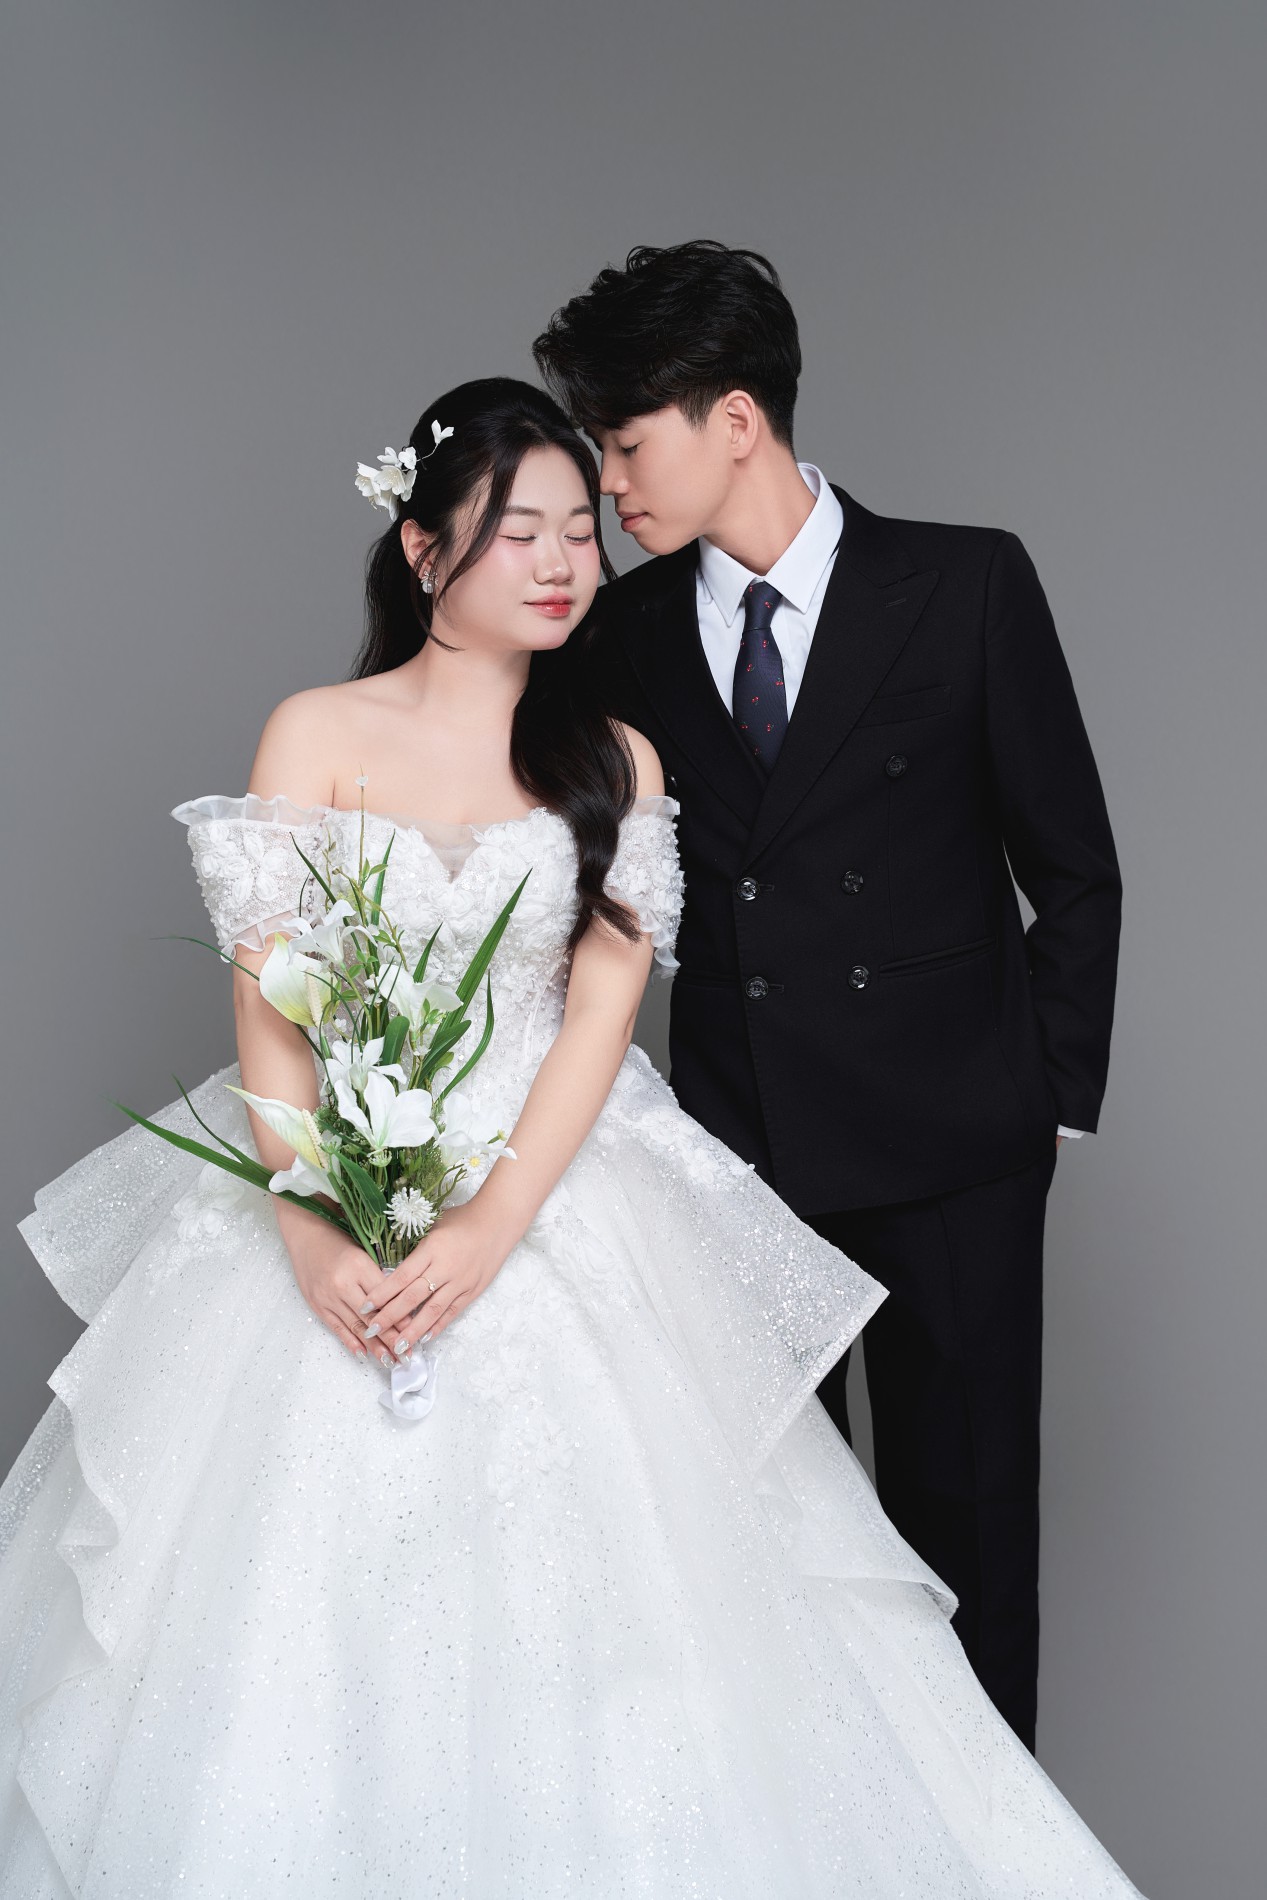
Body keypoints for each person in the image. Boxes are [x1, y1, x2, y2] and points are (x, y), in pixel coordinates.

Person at [0, 378, 1141, 1896]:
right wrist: (310, 1218)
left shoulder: (616, 757)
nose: (560, 562)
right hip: (331, 1183)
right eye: (515, 531)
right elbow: (272, 998)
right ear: (421, 549)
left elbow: (601, 1018)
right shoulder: (315, 730)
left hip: (557, 1190)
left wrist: (488, 1223)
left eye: (578, 532)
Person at [533, 241, 1123, 1754]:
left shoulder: (966, 583)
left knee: (967, 1548)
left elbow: (1074, 866)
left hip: (958, 1157)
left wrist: (1042, 1104)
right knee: (771, 1568)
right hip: (741, 1161)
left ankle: (990, 1853)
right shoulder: (625, 634)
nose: (609, 484)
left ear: (736, 420)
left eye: (626, 443)